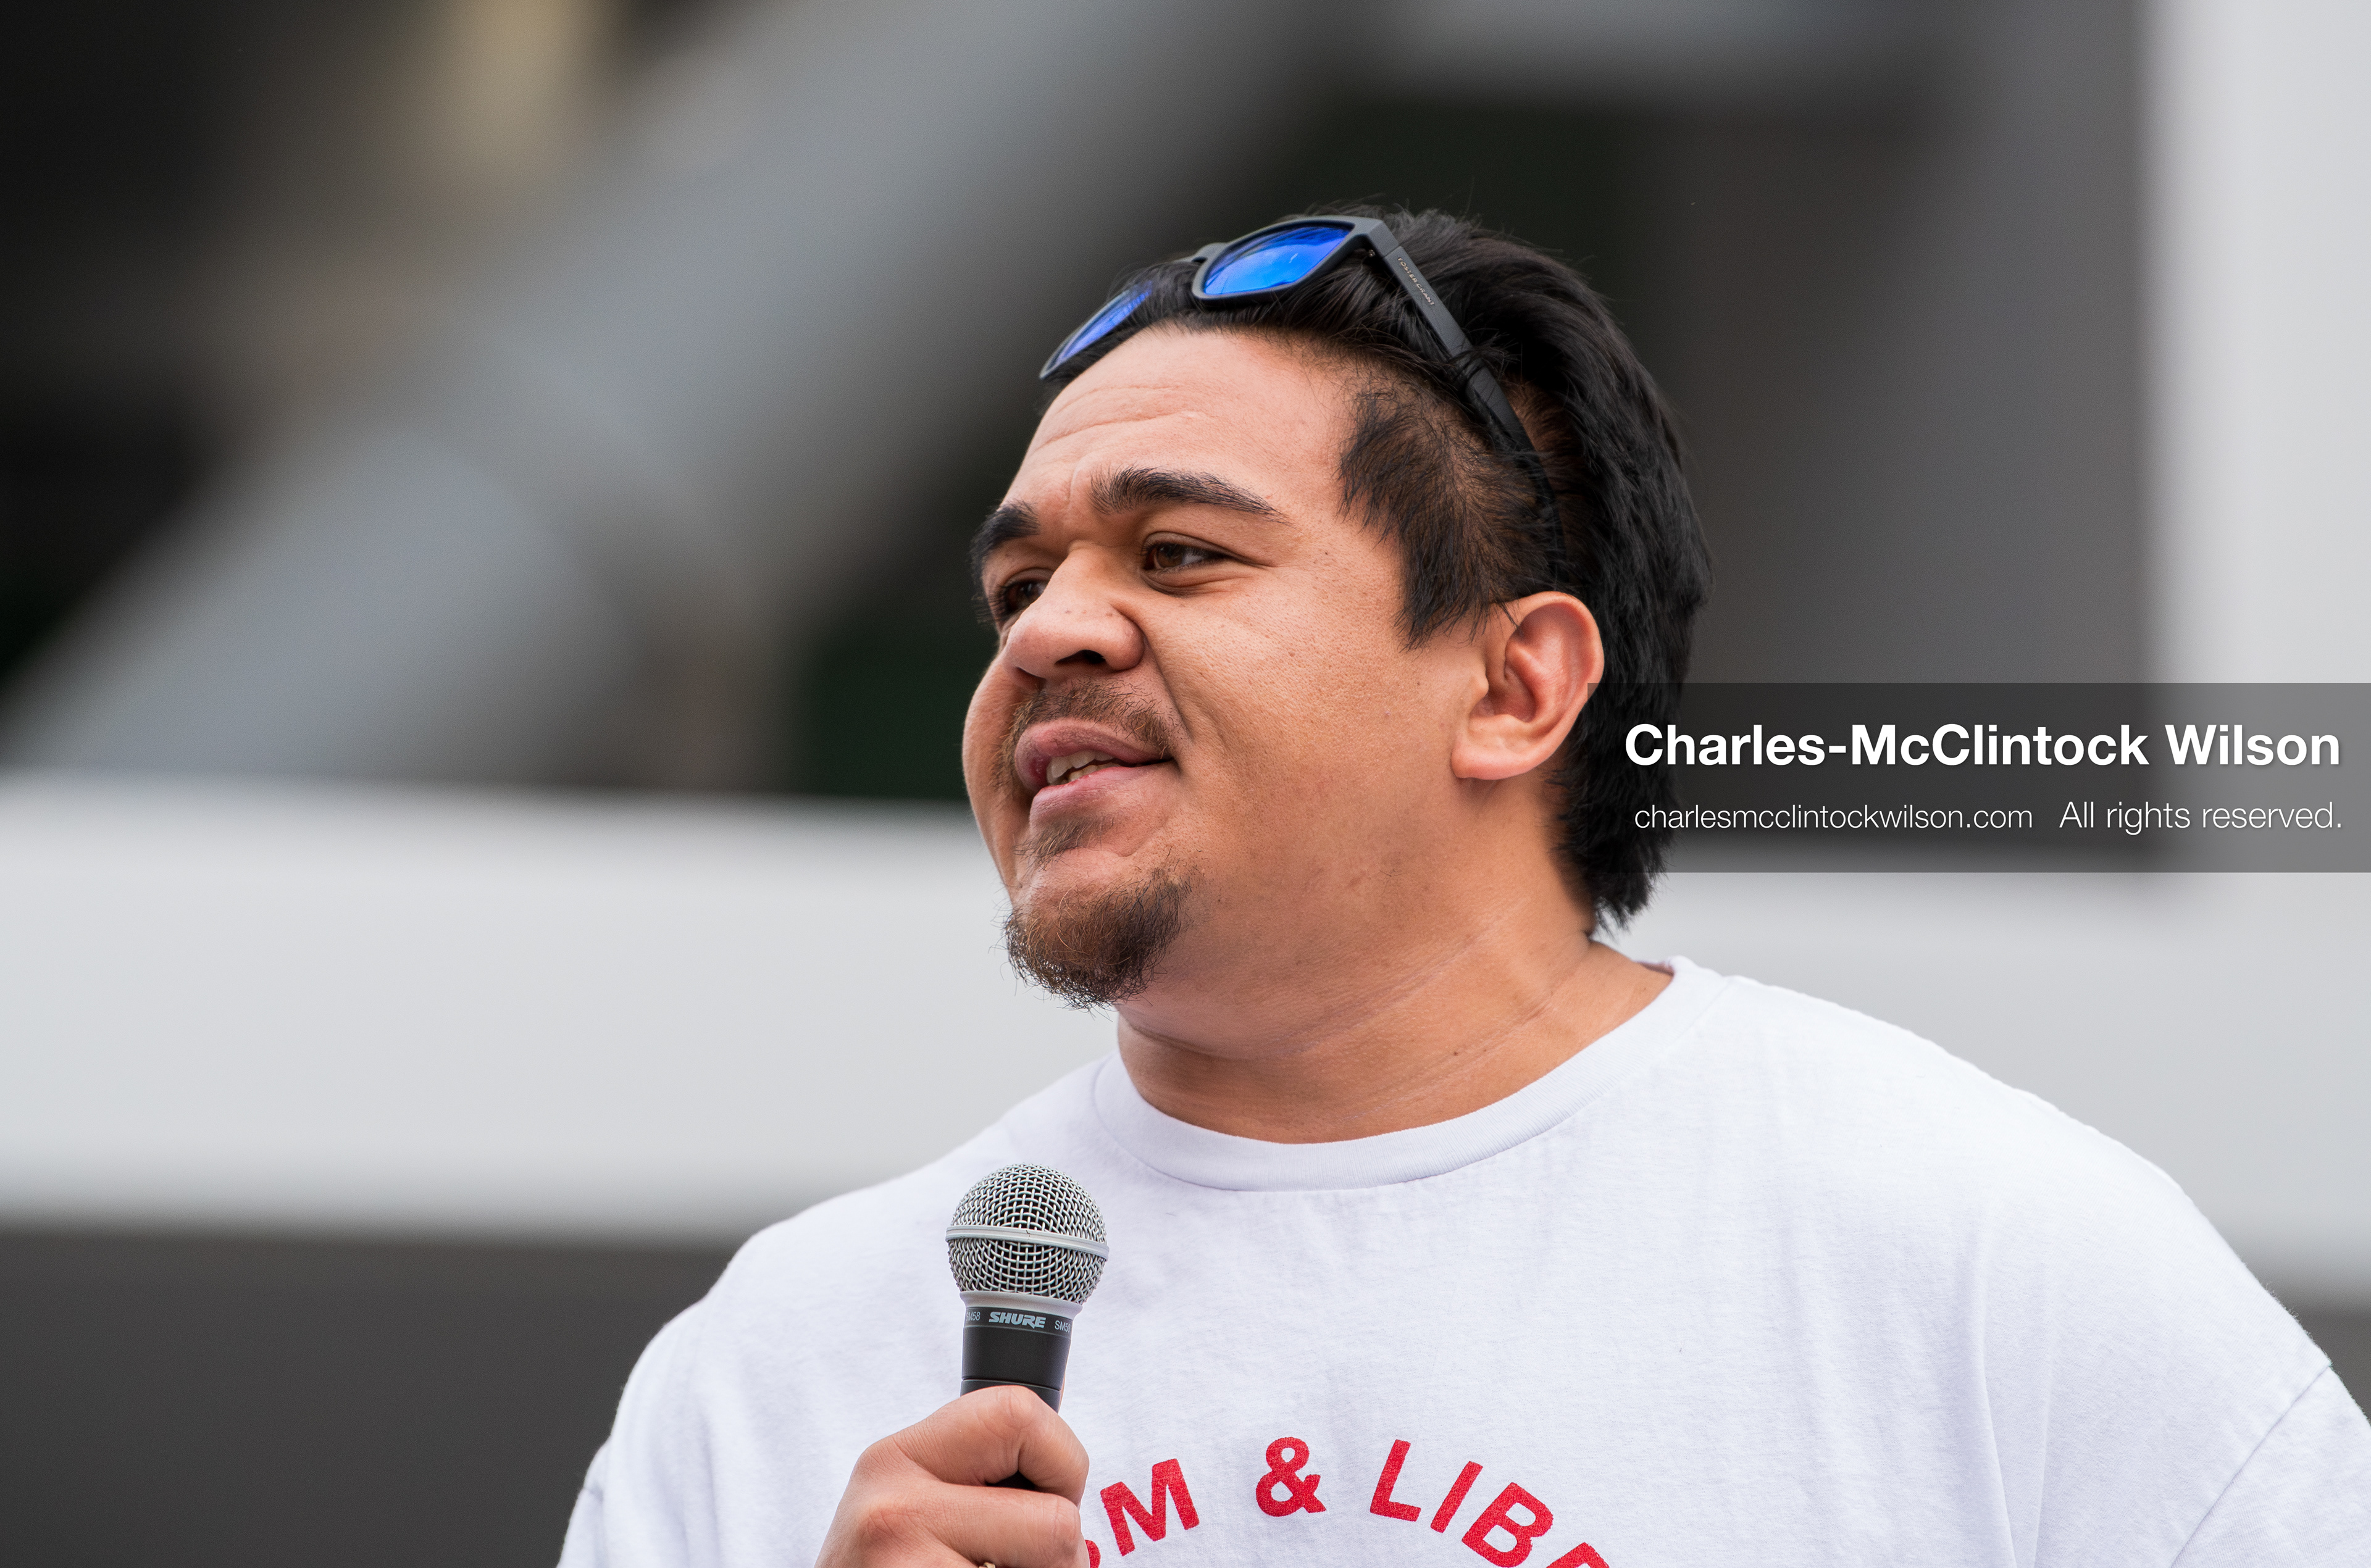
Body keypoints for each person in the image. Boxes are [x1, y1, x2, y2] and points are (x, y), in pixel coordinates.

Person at [558, 210, 2371, 1567]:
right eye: (1017, 588)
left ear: (1516, 687)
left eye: (1176, 554)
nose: (1051, 634)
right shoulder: (782, 1360)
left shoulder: (1983, 1264)